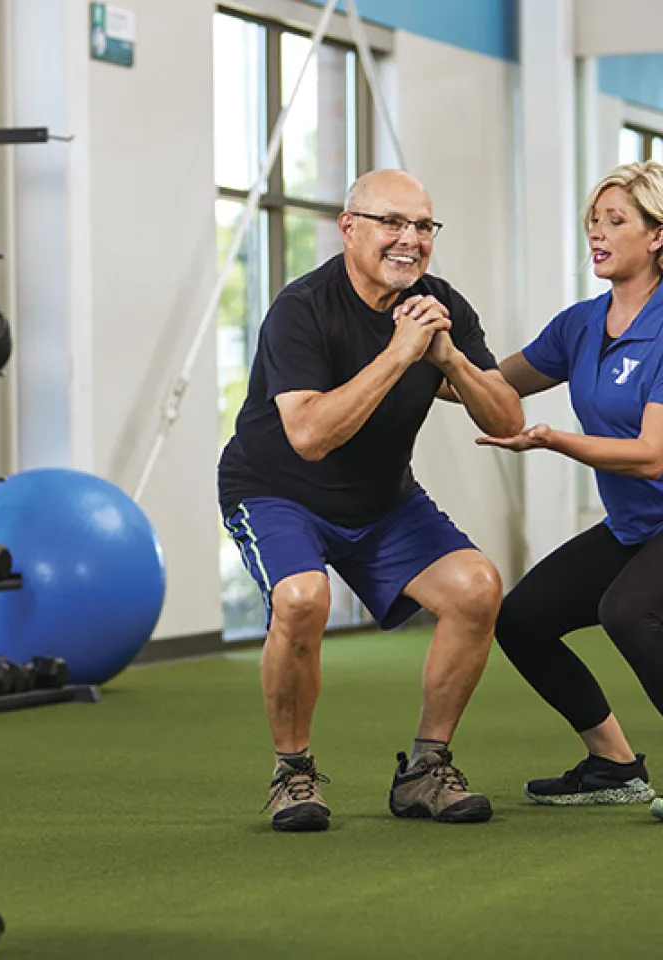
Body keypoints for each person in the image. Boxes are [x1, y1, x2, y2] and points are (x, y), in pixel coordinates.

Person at [217, 168, 524, 832]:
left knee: (477, 588)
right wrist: (398, 354)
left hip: (382, 500)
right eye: (392, 223)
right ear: (349, 227)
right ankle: (292, 774)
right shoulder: (302, 309)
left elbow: (504, 421)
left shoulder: (440, 304)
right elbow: (309, 436)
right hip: (277, 491)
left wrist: (451, 361)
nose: (408, 240)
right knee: (301, 598)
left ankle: (424, 771)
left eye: (421, 226)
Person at [479, 160, 663, 820]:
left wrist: (553, 439)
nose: (598, 232)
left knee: (627, 611)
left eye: (616, 221)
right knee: (523, 618)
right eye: (593, 220)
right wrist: (422, 356)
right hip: (637, 525)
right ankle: (614, 764)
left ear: (657, 235)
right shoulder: (581, 324)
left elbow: (650, 456)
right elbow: (489, 386)